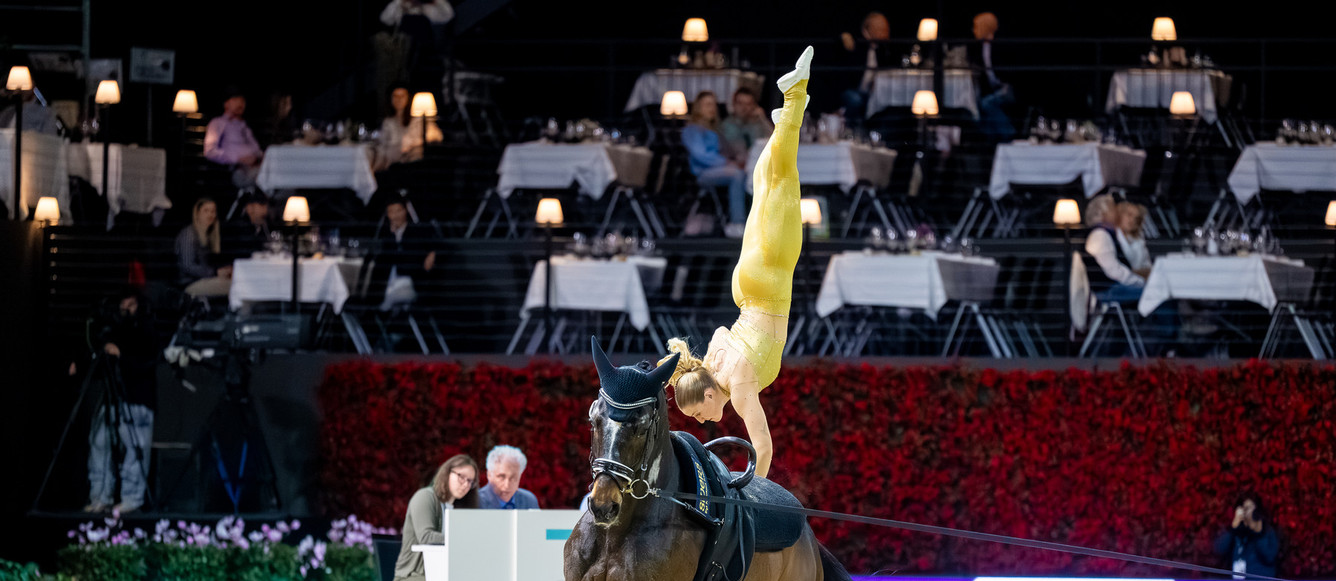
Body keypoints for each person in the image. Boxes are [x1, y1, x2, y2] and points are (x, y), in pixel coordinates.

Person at [658, 47, 813, 480]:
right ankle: (782, 119)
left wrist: (752, 495)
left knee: (783, 185)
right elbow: (703, 354)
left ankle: (794, 96)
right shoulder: (712, 361)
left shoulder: (739, 384)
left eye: (699, 413)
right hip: (745, 288)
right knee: (765, 191)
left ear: (709, 396)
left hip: (767, 285)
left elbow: (762, 447)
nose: (704, 421)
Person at [83, 288, 157, 514]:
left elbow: (147, 361)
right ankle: (100, 497)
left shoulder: (146, 330)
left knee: (135, 449)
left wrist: (121, 355)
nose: (125, 310)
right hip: (112, 398)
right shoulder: (114, 330)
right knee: (99, 442)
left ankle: (132, 499)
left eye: (131, 305)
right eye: (122, 305)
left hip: (137, 399)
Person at [392, 454, 479, 581]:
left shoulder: (458, 508)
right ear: (447, 473)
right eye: (461, 477)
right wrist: (461, 539)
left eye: (470, 481)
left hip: (446, 574)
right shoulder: (424, 497)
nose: (466, 484)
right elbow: (426, 537)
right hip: (414, 575)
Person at [681, 91, 748, 236]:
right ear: (698, 108)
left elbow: (727, 151)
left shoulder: (715, 130)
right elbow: (701, 156)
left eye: (713, 105)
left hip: (721, 168)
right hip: (703, 173)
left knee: (747, 173)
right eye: (707, 105)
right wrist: (726, 162)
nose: (712, 108)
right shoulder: (691, 130)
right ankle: (737, 223)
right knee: (736, 174)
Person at [368, 196, 438, 310]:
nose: (395, 216)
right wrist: (393, 236)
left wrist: (432, 254)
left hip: (409, 282)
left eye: (398, 211)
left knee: (386, 302)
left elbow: (435, 242)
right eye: (391, 212)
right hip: (388, 282)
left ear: (406, 211)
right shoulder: (387, 235)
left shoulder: (417, 231)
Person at [1083, 195, 1142, 301]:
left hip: (1108, 287)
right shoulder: (1100, 235)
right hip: (1107, 290)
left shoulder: (1104, 233)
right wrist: (1139, 281)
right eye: (1113, 209)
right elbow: (1113, 271)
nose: (1117, 213)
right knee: (1157, 294)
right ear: (1104, 214)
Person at [838, 12, 891, 128]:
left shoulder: (882, 48)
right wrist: (843, 37)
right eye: (880, 29)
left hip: (872, 92)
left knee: (887, 102)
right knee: (855, 100)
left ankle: (872, 133)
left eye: (886, 29)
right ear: (868, 28)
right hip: (849, 89)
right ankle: (851, 130)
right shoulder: (855, 41)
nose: (884, 33)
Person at [970, 12, 1016, 143]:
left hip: (1007, 88)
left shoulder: (1001, 44)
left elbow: (1012, 69)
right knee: (976, 107)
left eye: (977, 26)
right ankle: (993, 142)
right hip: (993, 89)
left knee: (987, 103)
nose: (974, 30)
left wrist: (1006, 84)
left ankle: (1008, 133)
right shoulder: (981, 46)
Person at [203, 90, 265, 188]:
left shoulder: (244, 126)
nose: (241, 103)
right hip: (236, 169)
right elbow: (210, 151)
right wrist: (238, 159)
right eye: (236, 99)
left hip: (255, 167)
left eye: (243, 101)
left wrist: (261, 157)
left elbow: (256, 149)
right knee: (269, 176)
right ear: (226, 104)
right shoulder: (218, 123)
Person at [376, 86, 444, 170]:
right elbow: (382, 145)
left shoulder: (417, 120)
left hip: (412, 162)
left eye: (402, 96)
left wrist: (415, 142)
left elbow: (437, 135)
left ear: (408, 98)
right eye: (395, 96)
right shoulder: (388, 122)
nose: (399, 99)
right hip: (390, 162)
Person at [1214, 493, 1280, 579]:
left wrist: (1257, 533)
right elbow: (1219, 550)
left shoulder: (1267, 530)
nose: (1245, 512)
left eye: (1248, 508)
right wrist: (1233, 528)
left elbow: (1269, 557)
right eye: (1243, 508)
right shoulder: (1236, 530)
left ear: (1257, 510)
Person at [177, 198, 232, 297]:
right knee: (233, 286)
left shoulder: (207, 235)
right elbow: (188, 266)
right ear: (197, 213)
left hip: (202, 279)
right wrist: (215, 272)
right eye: (206, 211)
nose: (210, 214)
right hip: (189, 283)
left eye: (213, 211)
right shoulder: (189, 234)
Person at [719, 87, 774, 165]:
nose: (744, 108)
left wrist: (762, 118)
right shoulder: (727, 125)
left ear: (754, 106)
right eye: (740, 103)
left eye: (748, 104)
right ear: (734, 105)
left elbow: (775, 140)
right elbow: (738, 152)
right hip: (735, 166)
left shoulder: (757, 123)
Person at [477, 445, 539, 509]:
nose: (507, 485)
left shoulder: (529, 500)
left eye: (513, 478)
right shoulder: (476, 501)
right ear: (489, 475)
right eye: (501, 477)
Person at [1115, 201, 1152, 280]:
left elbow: (1148, 266)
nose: (1132, 220)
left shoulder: (1139, 238)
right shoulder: (1113, 236)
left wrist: (1137, 272)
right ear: (1119, 214)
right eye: (1129, 215)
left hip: (1141, 281)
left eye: (1136, 218)